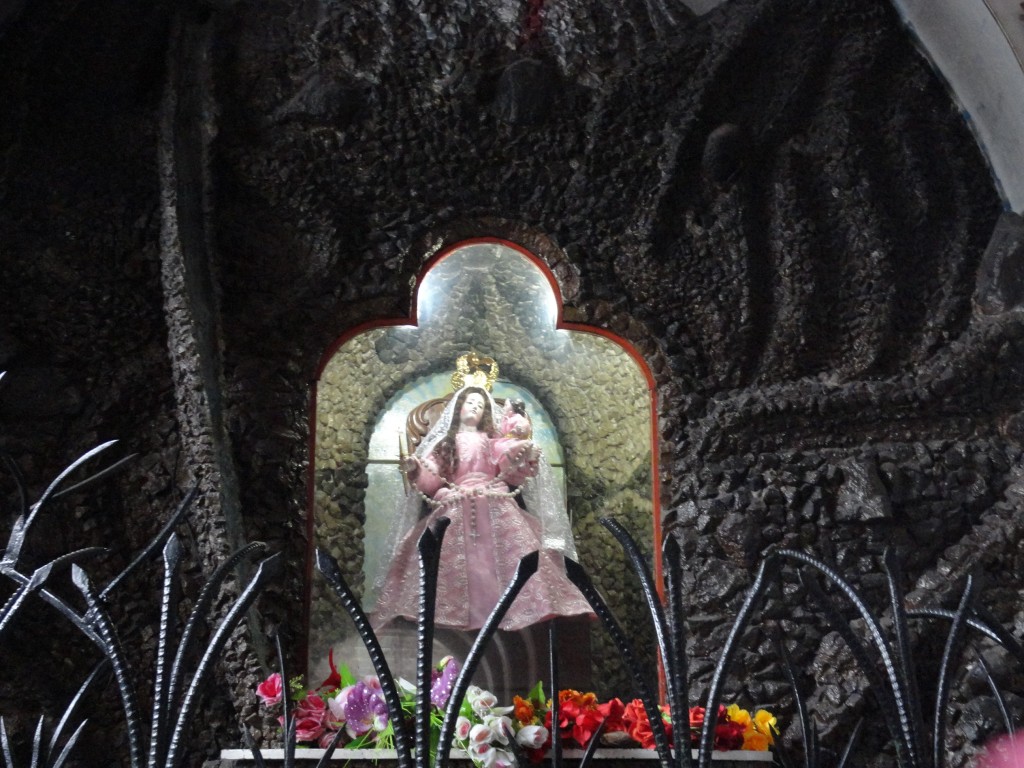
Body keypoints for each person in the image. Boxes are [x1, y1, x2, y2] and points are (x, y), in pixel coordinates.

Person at [372, 386, 591, 630]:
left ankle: (515, 606)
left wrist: (521, 451)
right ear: (458, 409)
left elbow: (510, 467)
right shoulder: (445, 445)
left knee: (520, 553)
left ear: (486, 413)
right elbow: (431, 478)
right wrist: (416, 469)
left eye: (480, 405)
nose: (474, 408)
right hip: (454, 503)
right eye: (470, 403)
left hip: (494, 499)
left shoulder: (492, 442)